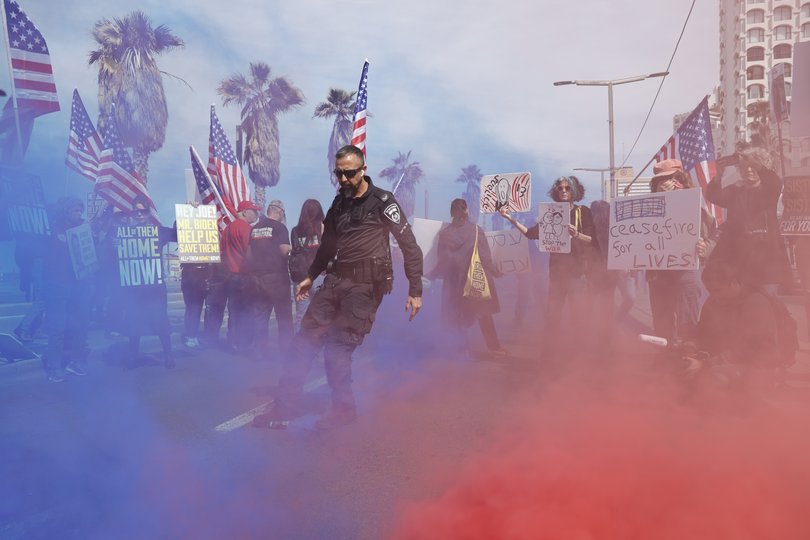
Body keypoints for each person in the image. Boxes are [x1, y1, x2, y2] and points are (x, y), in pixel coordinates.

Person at [257, 145, 424, 430]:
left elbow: (410, 246)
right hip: (336, 281)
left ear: (363, 170)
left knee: (337, 348)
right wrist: (311, 275)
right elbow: (327, 247)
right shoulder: (338, 204)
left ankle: (343, 411)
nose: (344, 179)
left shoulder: (384, 202)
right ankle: (285, 407)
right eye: (339, 173)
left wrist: (415, 290)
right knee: (304, 341)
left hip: (366, 287)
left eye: (349, 173)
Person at [500, 176, 598, 363]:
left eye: (567, 188)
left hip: (576, 274)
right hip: (556, 275)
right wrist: (509, 218)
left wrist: (576, 234)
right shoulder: (550, 212)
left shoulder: (582, 212)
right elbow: (530, 234)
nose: (563, 191)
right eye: (560, 188)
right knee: (552, 318)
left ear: (575, 191)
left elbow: (592, 240)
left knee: (578, 318)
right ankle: (547, 359)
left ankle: (580, 359)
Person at [645, 159, 717, 342]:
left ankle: (687, 355)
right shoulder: (647, 209)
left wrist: (706, 247)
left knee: (688, 319)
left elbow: (715, 235)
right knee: (662, 319)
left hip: (687, 272)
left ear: (682, 180)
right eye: (662, 180)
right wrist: (659, 199)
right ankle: (665, 356)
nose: (668, 184)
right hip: (659, 272)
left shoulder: (697, 205)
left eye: (673, 179)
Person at [432, 198, 507, 359]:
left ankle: (462, 350)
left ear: (452, 213)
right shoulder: (476, 230)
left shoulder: (444, 234)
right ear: (466, 211)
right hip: (474, 280)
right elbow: (485, 258)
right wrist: (496, 272)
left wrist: (430, 275)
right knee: (484, 314)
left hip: (454, 283)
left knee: (458, 317)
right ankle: (494, 348)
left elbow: (442, 260)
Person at [706, 147, 790, 289]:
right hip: (740, 256)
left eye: (753, 167)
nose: (749, 170)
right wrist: (718, 176)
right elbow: (713, 196)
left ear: (762, 167)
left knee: (767, 299)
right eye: (744, 167)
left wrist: (751, 161)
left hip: (766, 255)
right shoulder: (735, 190)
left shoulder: (769, 188)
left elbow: (774, 181)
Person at [119, 197, 176, 369]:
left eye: (143, 210)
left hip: (155, 288)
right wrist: (114, 244)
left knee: (161, 322)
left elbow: (180, 235)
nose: (139, 214)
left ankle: (168, 356)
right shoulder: (125, 233)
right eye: (136, 211)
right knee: (134, 322)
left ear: (148, 212)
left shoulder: (159, 232)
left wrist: (192, 212)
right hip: (134, 288)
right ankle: (132, 358)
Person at [42, 197, 93, 382]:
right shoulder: (54, 229)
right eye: (75, 211)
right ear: (66, 212)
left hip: (79, 286)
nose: (79, 214)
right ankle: (54, 367)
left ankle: (76, 361)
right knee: (57, 328)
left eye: (80, 211)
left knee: (80, 326)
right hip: (58, 285)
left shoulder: (84, 229)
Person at [246, 200, 293, 358]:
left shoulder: (255, 229)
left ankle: (260, 351)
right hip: (277, 278)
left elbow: (249, 255)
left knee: (260, 315)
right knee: (284, 316)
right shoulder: (280, 227)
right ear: (279, 212)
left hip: (258, 278)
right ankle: (286, 352)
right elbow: (284, 251)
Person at [220, 200, 261, 352]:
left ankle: (232, 342)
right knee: (247, 311)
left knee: (234, 311)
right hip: (245, 276)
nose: (256, 214)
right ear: (245, 212)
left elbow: (222, 252)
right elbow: (249, 251)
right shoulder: (246, 228)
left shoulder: (228, 228)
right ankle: (245, 343)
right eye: (254, 211)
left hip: (230, 277)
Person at [289, 199, 325, 327]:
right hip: (319, 277)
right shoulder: (322, 227)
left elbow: (295, 251)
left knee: (301, 315)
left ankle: (300, 346)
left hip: (301, 278)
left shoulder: (295, 231)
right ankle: (321, 345)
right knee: (322, 315)